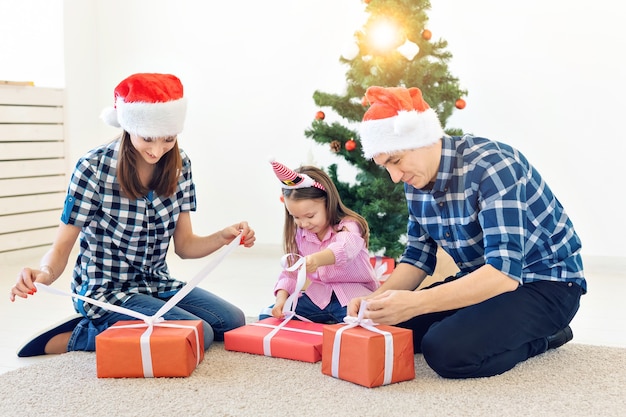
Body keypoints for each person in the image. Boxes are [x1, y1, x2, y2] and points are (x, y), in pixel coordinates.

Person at [348, 85, 587, 379]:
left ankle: (547, 337)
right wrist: (375, 302)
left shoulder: (492, 165)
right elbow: (417, 258)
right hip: (483, 281)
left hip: (547, 285)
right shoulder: (415, 181)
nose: (395, 177)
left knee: (445, 350)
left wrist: (415, 303)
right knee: (390, 327)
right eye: (385, 166)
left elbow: (503, 274)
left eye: (396, 161)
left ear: (424, 138)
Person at [9, 73, 255, 357]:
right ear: (129, 126)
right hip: (106, 291)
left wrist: (224, 236)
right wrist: (45, 274)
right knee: (199, 333)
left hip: (155, 284)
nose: (157, 149)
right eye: (147, 138)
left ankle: (126, 324)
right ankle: (81, 334)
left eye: (168, 139)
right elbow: (61, 247)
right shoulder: (93, 168)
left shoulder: (180, 164)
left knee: (231, 321)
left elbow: (186, 247)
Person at [259, 160, 379, 324]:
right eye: (296, 217)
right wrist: (281, 300)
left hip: (352, 297)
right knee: (267, 316)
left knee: (360, 323)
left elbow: (343, 249)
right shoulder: (300, 234)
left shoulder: (349, 226)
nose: (304, 223)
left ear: (328, 202)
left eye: (310, 216)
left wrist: (317, 260)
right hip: (318, 299)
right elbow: (291, 272)